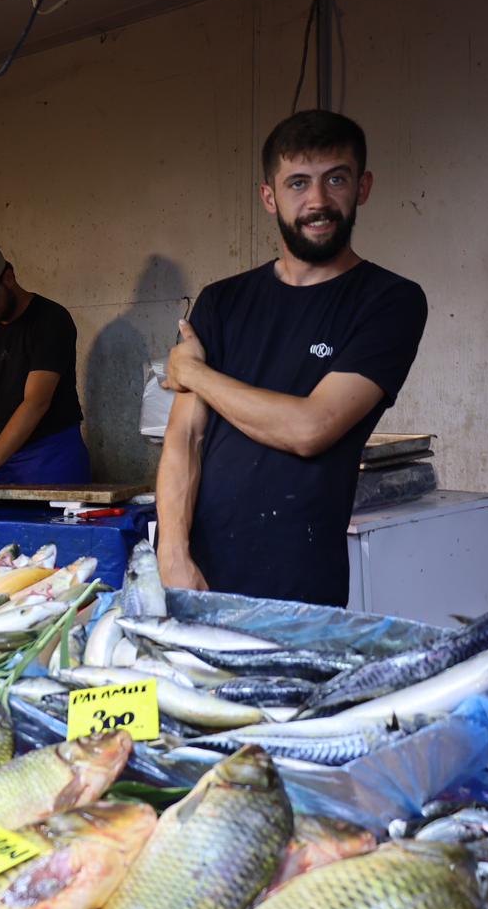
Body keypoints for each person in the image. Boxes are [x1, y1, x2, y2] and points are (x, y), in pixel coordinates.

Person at [156, 110, 428, 606]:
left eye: (336, 179)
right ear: (269, 196)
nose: (318, 201)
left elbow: (311, 429)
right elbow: (185, 437)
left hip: (299, 583)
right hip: (195, 571)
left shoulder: (390, 301)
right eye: (298, 183)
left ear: (362, 187)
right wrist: (172, 554)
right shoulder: (222, 301)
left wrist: (195, 372)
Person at [0, 242, 90, 484]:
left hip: (51, 457)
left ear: (8, 278)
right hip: (1, 461)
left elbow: (36, 401)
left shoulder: (51, 320)